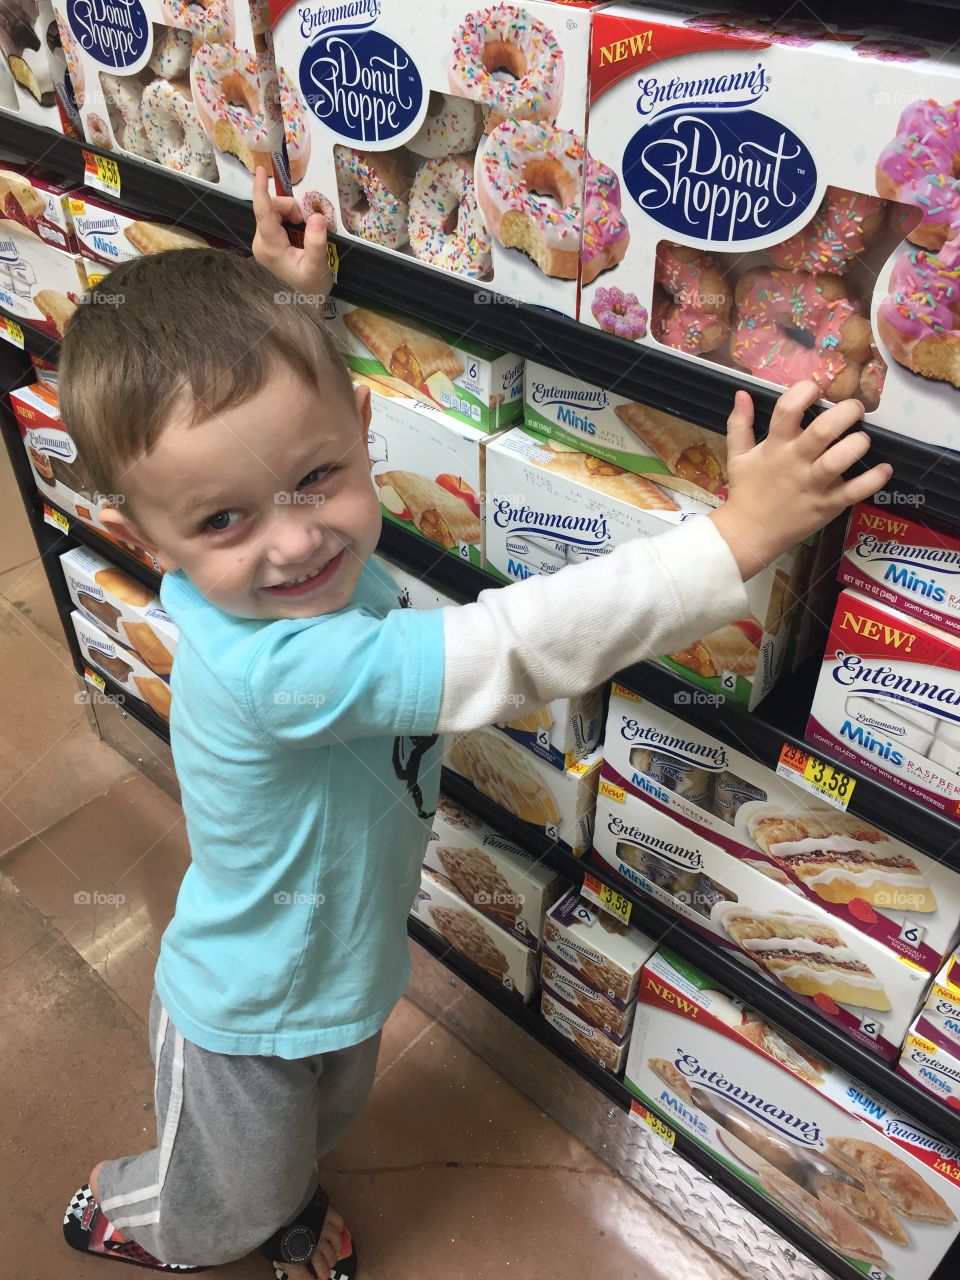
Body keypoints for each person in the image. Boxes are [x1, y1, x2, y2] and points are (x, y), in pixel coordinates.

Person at [57, 169, 892, 1280]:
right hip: (247, 1009)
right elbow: (511, 647)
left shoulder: (278, 565)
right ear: (146, 543)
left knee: (318, 1124)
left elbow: (264, 431)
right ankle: (149, 1212)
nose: (295, 541)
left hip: (346, 956)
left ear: (363, 427)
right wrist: (731, 538)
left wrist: (290, 300)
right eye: (224, 520)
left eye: (315, 478)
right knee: (229, 1184)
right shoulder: (277, 664)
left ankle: (288, 1200)